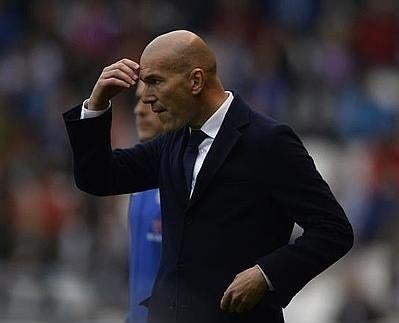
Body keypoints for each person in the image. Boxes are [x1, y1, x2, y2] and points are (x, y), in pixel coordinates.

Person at [63, 30, 354, 323]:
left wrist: (266, 274)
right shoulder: (172, 141)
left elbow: (333, 229)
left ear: (196, 81)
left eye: (155, 82)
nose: (147, 98)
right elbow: (97, 178)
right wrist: (96, 105)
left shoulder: (268, 142)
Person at [127, 81, 164, 323]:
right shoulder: (136, 181)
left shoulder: (193, 182)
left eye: (150, 101)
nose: (138, 110)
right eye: (137, 100)